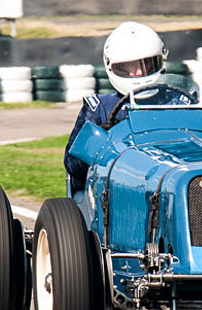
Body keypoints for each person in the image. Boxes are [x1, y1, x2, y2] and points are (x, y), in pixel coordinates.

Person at [64, 21, 167, 191]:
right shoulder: (100, 108)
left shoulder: (178, 101)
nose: (140, 72)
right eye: (130, 66)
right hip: (116, 189)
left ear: (160, 60)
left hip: (168, 179)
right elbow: (73, 166)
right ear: (113, 66)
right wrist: (97, 143)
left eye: (147, 63)